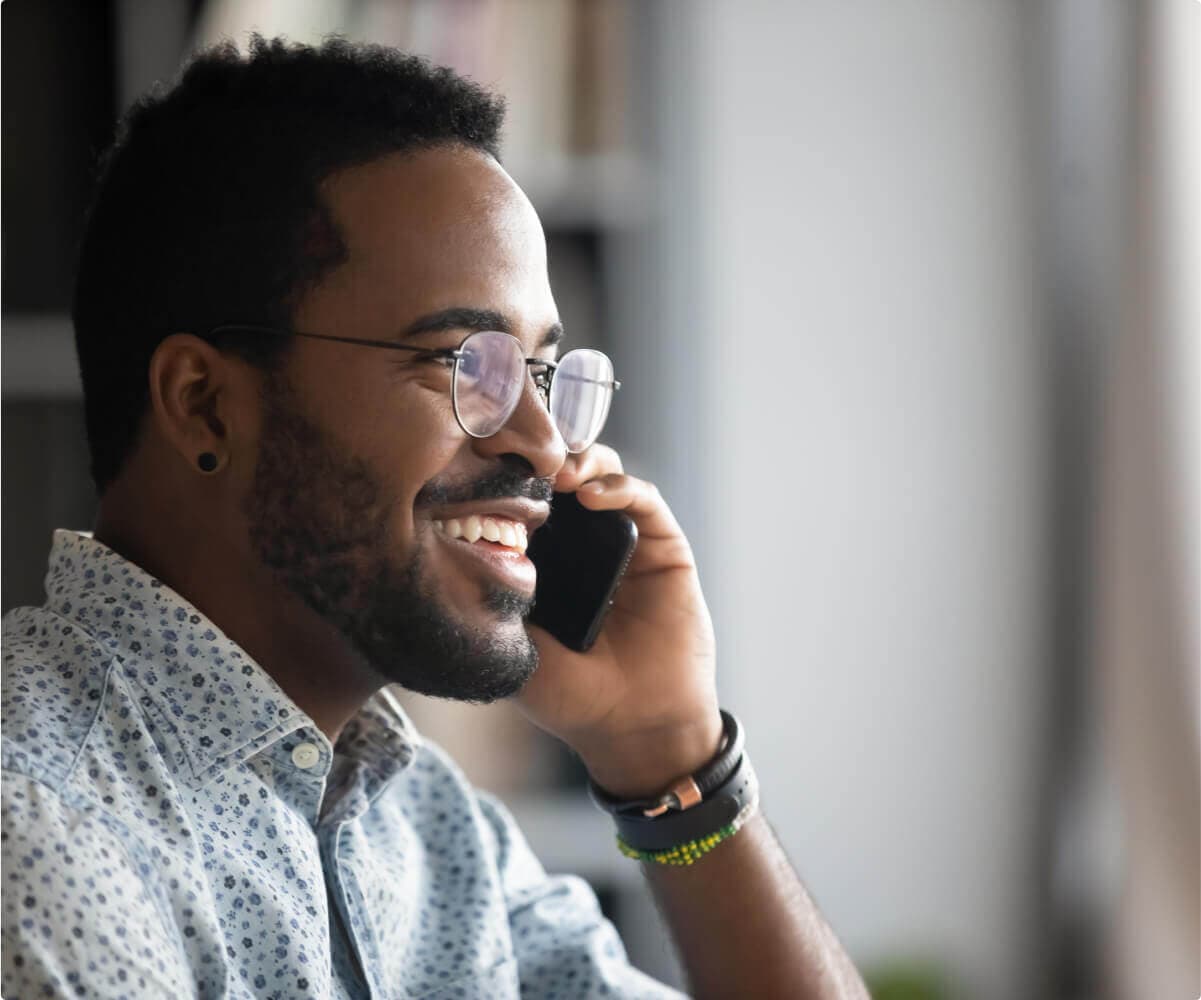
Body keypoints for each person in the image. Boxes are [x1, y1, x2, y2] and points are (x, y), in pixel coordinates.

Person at [1, 36, 867, 999]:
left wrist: (669, 755)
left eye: (542, 373)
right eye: (465, 363)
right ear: (205, 405)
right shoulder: (40, 837)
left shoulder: (437, 837)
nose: (546, 446)